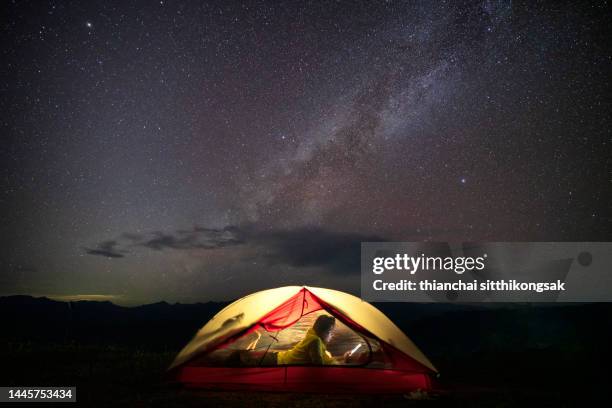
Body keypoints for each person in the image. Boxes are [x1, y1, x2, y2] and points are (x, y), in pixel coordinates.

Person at [276, 315, 351, 365]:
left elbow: (326, 359)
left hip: (282, 356)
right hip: (280, 362)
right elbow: (320, 366)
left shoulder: (313, 336)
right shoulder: (315, 341)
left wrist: (342, 357)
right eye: (330, 332)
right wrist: (343, 363)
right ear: (323, 331)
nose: (331, 335)